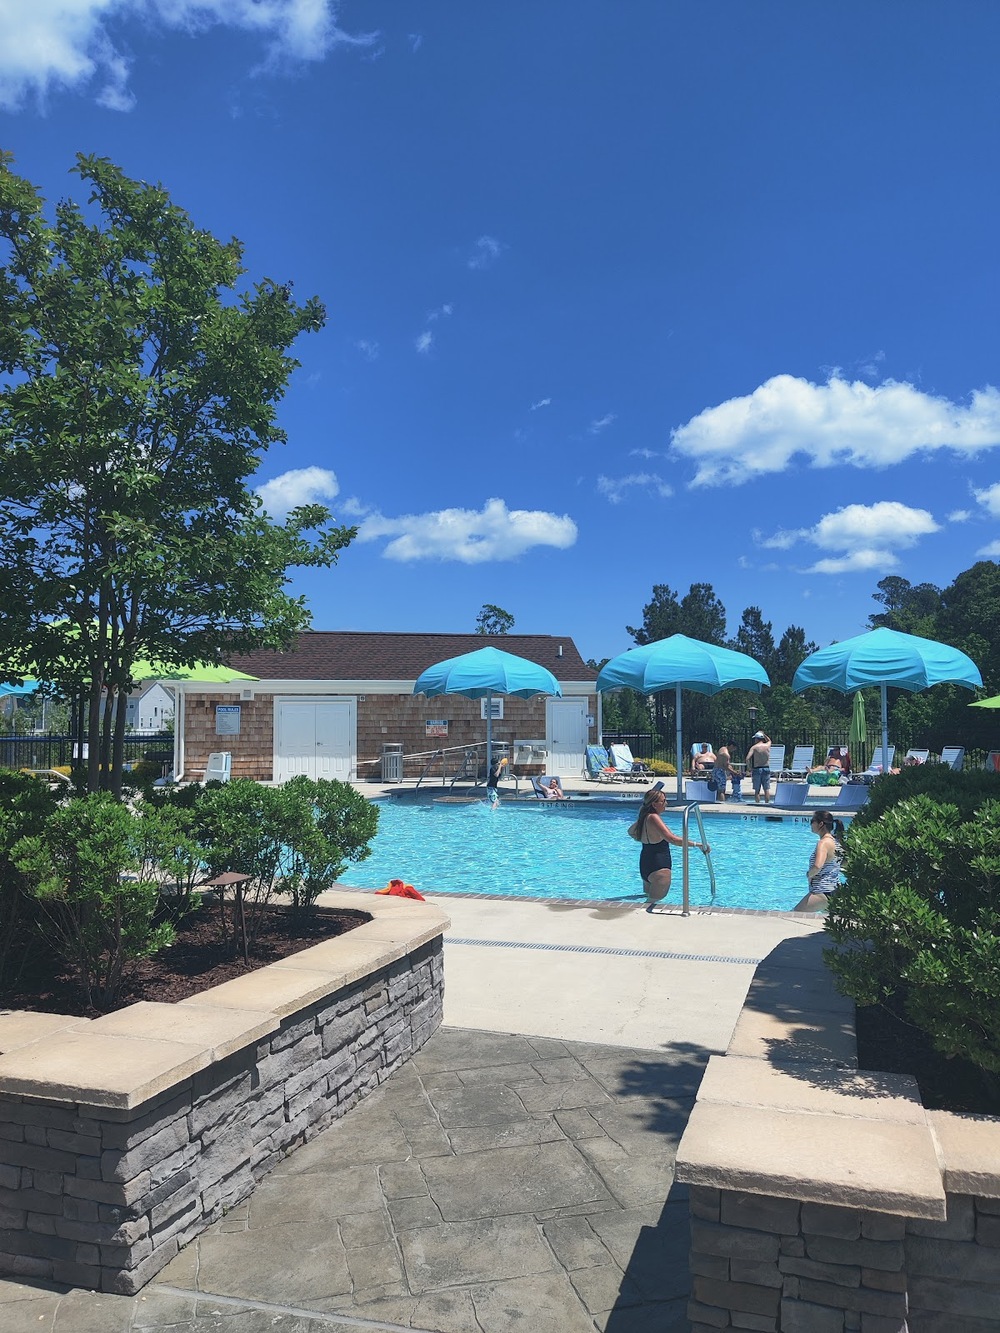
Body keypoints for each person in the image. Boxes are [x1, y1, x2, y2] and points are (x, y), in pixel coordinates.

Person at [629, 785, 710, 907]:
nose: (666, 803)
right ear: (654, 804)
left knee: (647, 902)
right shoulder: (654, 818)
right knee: (650, 906)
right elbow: (672, 839)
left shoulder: (644, 818)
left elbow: (631, 832)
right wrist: (697, 844)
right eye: (663, 801)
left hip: (645, 864)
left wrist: (644, 837)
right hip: (659, 868)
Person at [793, 809, 846, 912]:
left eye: (812, 821)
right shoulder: (836, 841)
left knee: (794, 914)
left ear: (821, 824)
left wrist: (809, 874)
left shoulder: (823, 843)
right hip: (834, 890)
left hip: (822, 891)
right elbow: (843, 864)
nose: (811, 824)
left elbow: (818, 866)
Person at [746, 732, 772, 804]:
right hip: (766, 768)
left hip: (757, 769)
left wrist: (749, 768)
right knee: (766, 789)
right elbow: (769, 740)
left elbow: (747, 758)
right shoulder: (767, 745)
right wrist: (764, 734)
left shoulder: (754, 747)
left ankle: (757, 804)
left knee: (757, 790)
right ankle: (767, 804)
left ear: (757, 739)